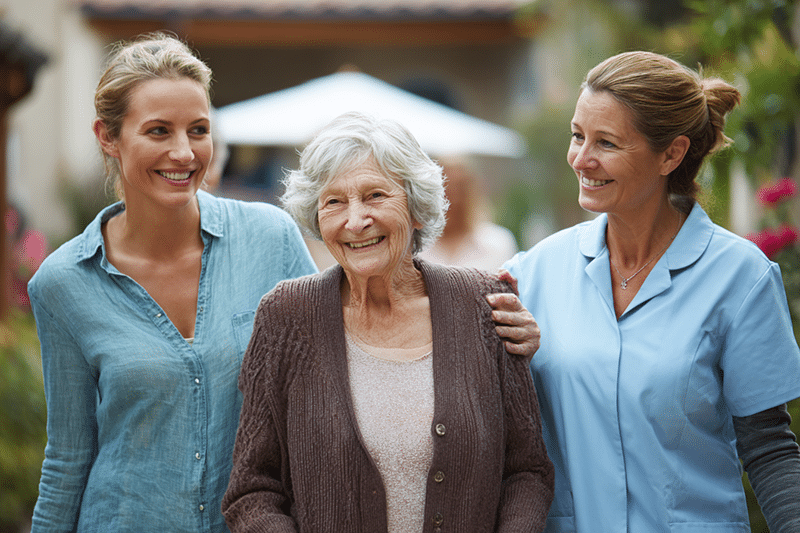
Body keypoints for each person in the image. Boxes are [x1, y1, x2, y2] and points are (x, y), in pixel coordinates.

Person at [27, 34, 540, 533]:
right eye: (158, 131)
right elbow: (69, 456)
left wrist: (501, 331)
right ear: (107, 137)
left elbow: (343, 340)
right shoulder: (63, 283)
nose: (184, 153)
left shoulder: (267, 238)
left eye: (199, 130)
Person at [504, 50, 800, 532]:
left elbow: (768, 447)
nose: (582, 158)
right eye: (578, 136)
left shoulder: (740, 278)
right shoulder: (532, 275)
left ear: (672, 153)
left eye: (607, 143)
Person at [221, 111, 554, 532]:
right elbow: (252, 489)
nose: (355, 220)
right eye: (334, 201)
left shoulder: (484, 306)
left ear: (416, 207)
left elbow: (527, 472)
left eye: (376, 195)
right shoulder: (285, 317)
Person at [418, 155, 518, 270]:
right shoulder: (416, 246)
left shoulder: (498, 244)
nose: (454, 199)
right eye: (446, 189)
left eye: (460, 189)